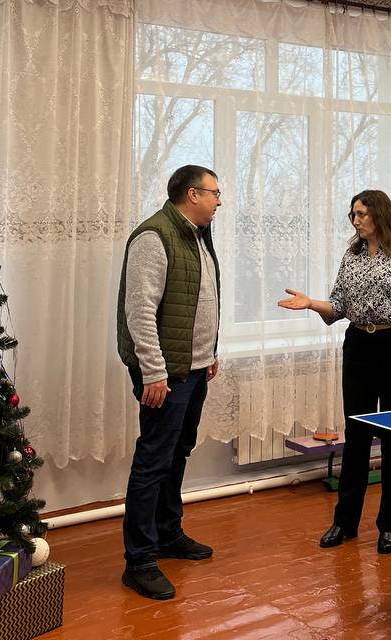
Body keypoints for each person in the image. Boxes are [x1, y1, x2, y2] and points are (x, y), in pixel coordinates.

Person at [277, 190, 391, 556]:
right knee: (356, 435)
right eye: (353, 215)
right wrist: (312, 304)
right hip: (358, 346)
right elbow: (339, 307)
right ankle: (344, 521)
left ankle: (389, 526)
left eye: (361, 214)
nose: (356, 220)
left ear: (380, 214)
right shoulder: (352, 256)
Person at [116, 165, 223, 600]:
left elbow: (201, 298)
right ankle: (139, 561)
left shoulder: (197, 235)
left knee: (177, 452)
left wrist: (209, 352)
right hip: (165, 373)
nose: (219, 201)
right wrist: (154, 371)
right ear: (192, 194)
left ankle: (167, 532)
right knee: (153, 461)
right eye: (214, 193)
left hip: (194, 368)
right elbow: (140, 311)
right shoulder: (153, 237)